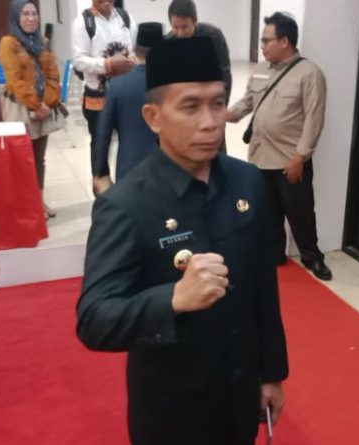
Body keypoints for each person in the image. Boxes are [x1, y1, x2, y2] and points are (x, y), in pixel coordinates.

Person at [77, 37, 288, 445]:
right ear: (153, 117)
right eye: (190, 107)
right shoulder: (125, 204)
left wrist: (272, 374)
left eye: (217, 103)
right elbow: (94, 320)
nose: (210, 122)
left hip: (240, 394)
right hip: (172, 410)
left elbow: (264, 287)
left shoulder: (246, 182)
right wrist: (172, 299)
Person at [227, 12, 332, 280]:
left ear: (285, 41)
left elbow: (314, 120)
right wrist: (224, 114)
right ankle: (274, 254)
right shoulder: (261, 69)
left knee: (300, 214)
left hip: (290, 161)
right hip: (260, 157)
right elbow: (247, 102)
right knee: (268, 212)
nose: (261, 46)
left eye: (266, 40)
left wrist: (300, 157)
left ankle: (312, 257)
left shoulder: (309, 74)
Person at [0, 0, 64, 219]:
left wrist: (46, 104)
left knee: (39, 158)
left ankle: (39, 201)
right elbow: (15, 80)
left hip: (43, 107)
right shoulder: (8, 43)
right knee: (21, 158)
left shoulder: (43, 42)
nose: (31, 18)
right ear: (16, 17)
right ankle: (26, 204)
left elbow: (53, 75)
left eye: (34, 14)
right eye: (25, 14)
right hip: (20, 107)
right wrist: (36, 105)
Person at [71, 0, 137, 195]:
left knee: (129, 141)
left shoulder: (125, 18)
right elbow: (79, 61)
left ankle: (128, 191)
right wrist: (108, 64)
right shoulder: (83, 22)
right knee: (100, 145)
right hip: (97, 97)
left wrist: (131, 61)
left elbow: (133, 51)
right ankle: (103, 197)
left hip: (124, 94)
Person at [91, 22, 162, 193]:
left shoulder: (118, 85)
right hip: (168, 170)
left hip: (129, 169)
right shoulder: (173, 86)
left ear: (135, 50)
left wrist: (100, 172)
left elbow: (103, 134)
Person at [166, 0, 232, 153]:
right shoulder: (168, 42)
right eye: (175, 27)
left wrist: (219, 108)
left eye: (185, 27)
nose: (180, 33)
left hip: (212, 101)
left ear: (195, 21)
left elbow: (225, 74)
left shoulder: (213, 36)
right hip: (185, 107)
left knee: (216, 149)